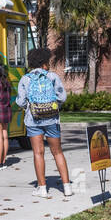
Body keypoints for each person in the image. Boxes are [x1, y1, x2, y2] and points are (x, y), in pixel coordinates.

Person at [16, 47, 73, 199]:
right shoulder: (53, 77)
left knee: (38, 153)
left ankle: (42, 189)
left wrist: (29, 107)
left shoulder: (25, 79)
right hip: (52, 119)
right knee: (58, 152)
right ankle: (67, 187)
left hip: (33, 120)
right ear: (44, 62)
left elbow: (20, 102)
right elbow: (62, 97)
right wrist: (52, 106)